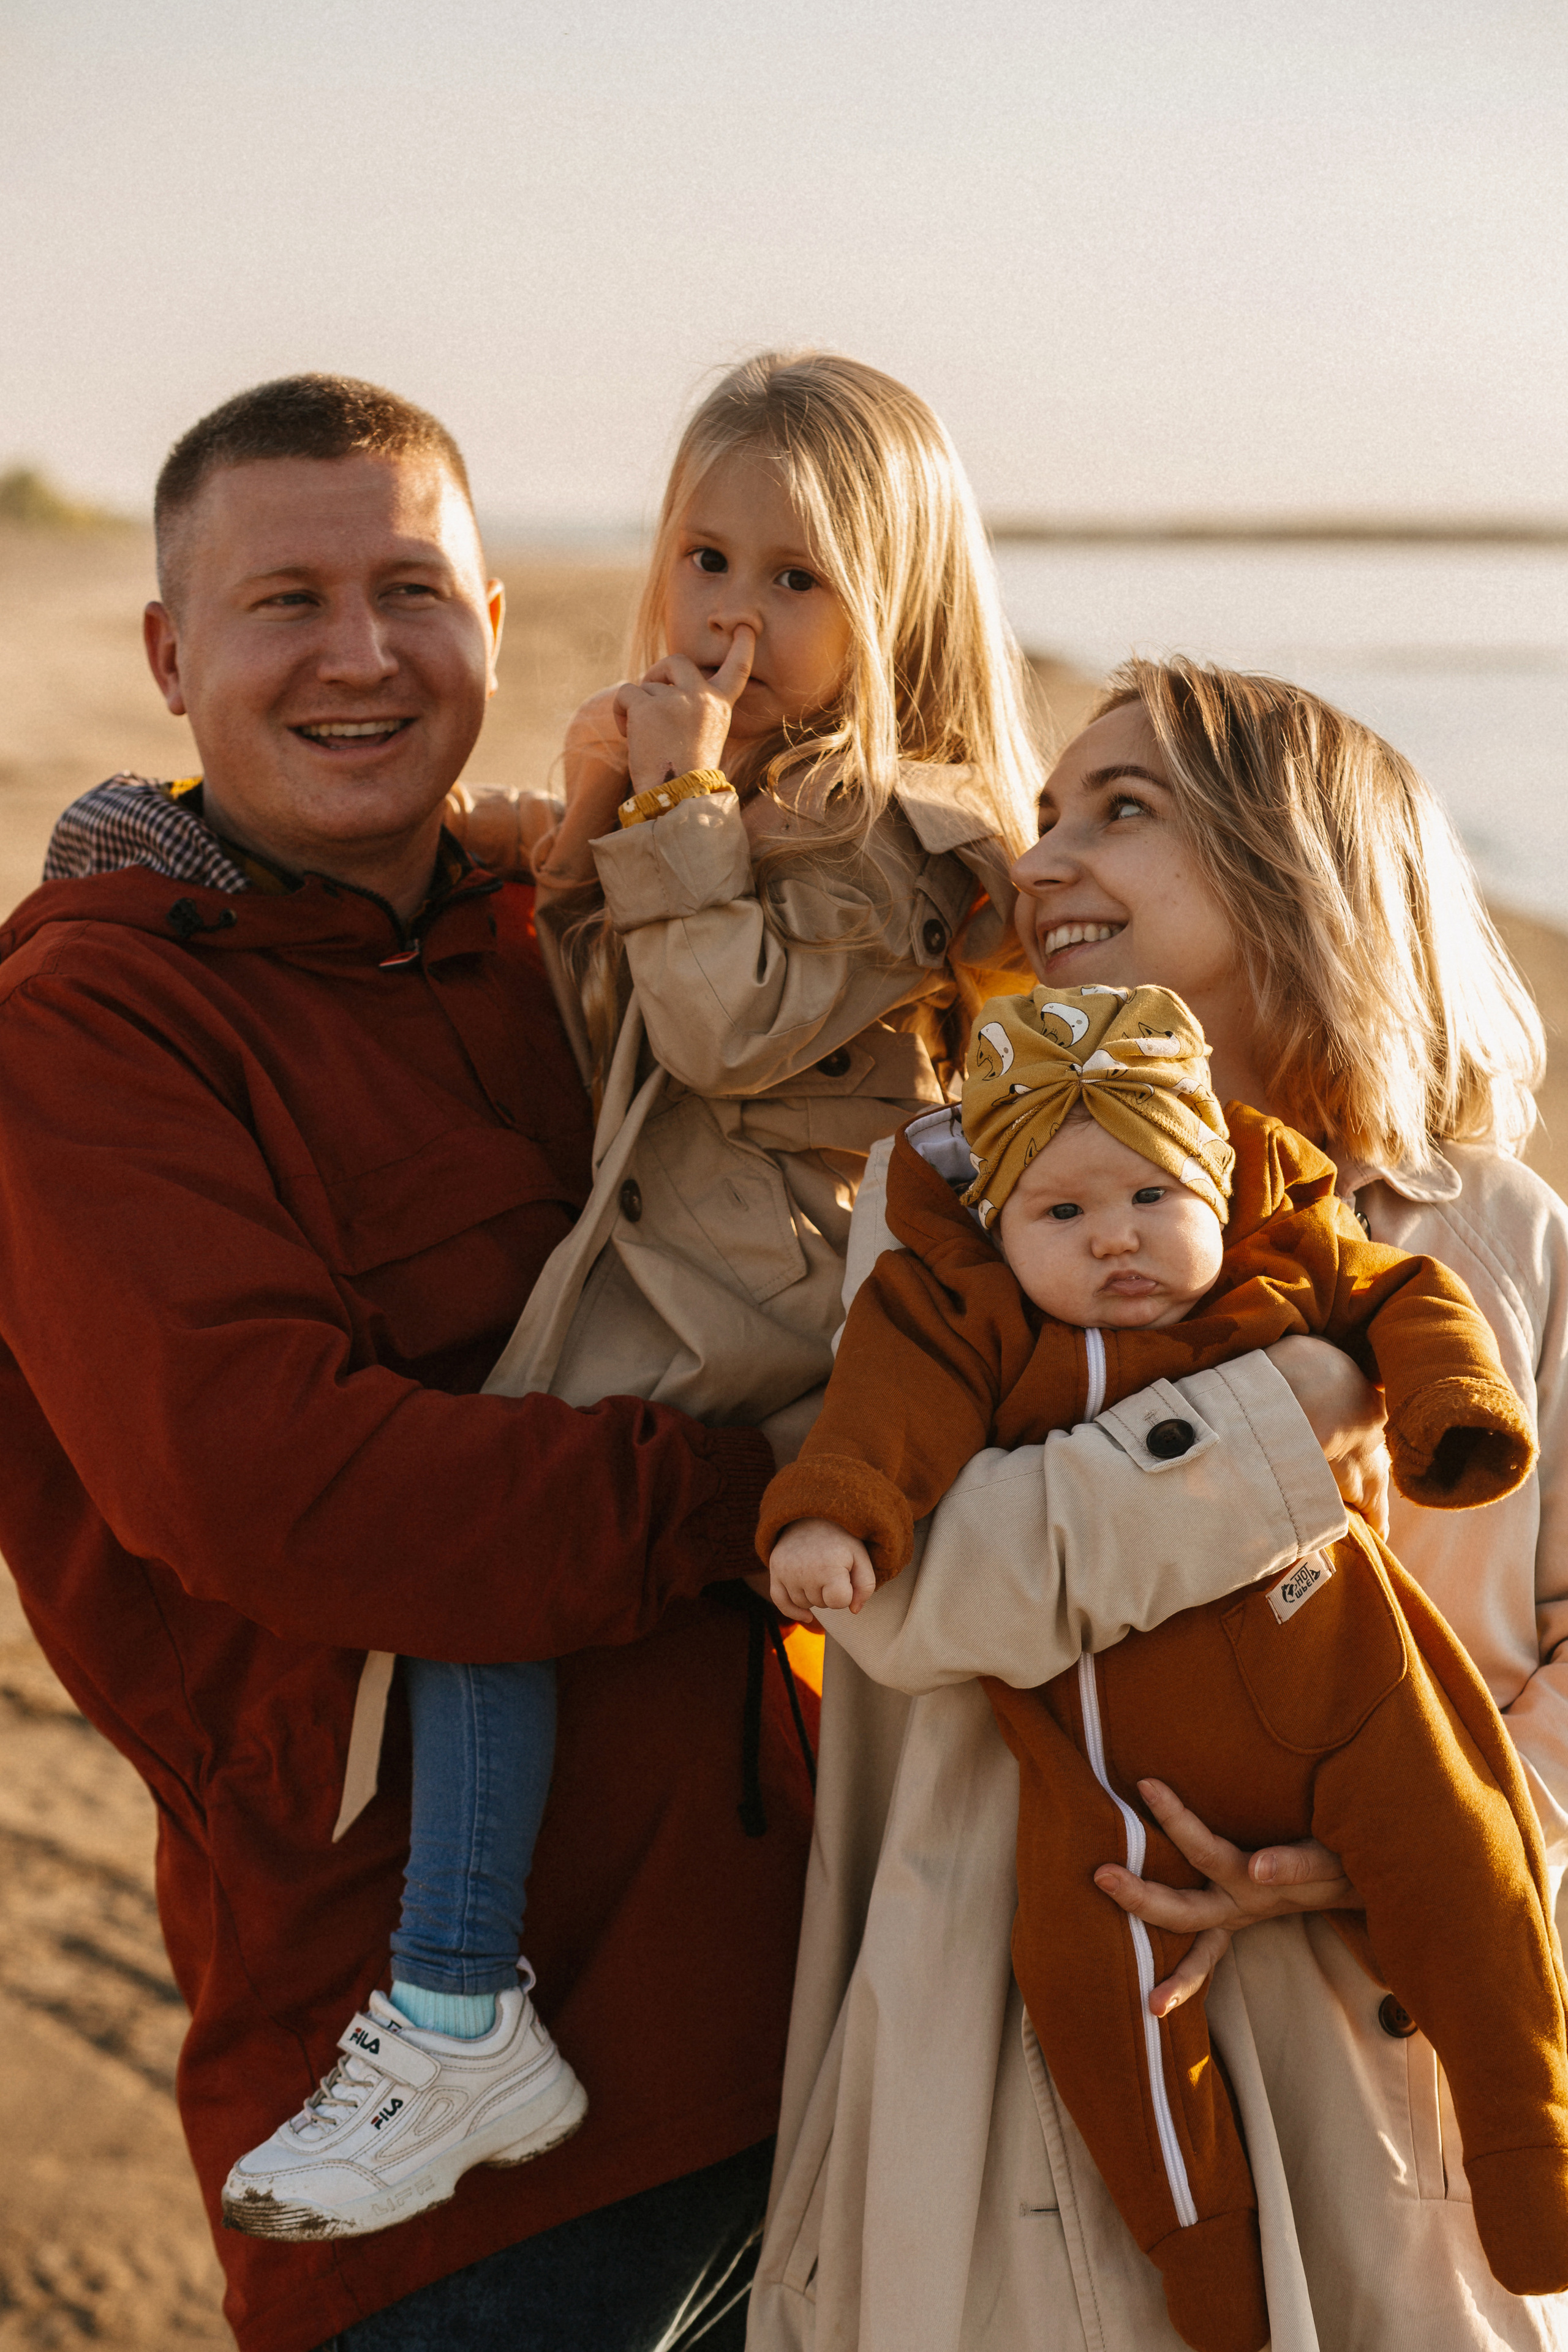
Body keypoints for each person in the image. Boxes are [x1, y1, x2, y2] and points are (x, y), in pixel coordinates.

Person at [0, 372, 819, 2352]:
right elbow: (296, 1493)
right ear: (171, 653)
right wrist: (785, 1492)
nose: (358, 655)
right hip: (447, 2150)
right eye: (285, 602)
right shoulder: (88, 1029)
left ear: (495, 628)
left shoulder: (576, 934)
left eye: (411, 591)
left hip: (821, 2029)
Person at [239, 348, 1051, 2243]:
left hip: (781, 1286)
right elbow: (605, 978)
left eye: (799, 579)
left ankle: (453, 2005)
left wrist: (661, 817)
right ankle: (478, 1986)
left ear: (899, 603)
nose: (735, 617)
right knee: (495, 1560)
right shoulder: (737, 784)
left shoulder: (907, 834)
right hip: (682, 1254)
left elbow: (728, 1027)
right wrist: (591, 808)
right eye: (708, 557)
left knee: (481, 1524)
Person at [748, 660, 1568, 2352]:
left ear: (1305, 869)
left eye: (1121, 811)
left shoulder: (1492, 1233)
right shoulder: (963, 1208)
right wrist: (1291, 1411)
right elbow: (908, 1609)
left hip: (1395, 2054)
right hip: (1023, 2078)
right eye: (1048, 815)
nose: (1042, 861)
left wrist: (1367, 1841)